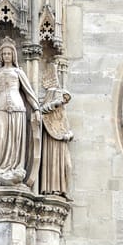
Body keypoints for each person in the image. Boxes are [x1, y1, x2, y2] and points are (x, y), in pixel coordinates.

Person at [0, 37, 41, 188]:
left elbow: (29, 93)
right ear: (1, 56)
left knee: (14, 139)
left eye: (9, 54)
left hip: (17, 108)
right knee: (0, 137)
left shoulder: (19, 72)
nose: (6, 56)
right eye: (4, 54)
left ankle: (14, 168)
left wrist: (36, 109)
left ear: (13, 55)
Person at [40, 63, 73, 199]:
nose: (65, 101)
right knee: (53, 165)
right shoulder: (52, 105)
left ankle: (62, 190)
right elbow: (42, 113)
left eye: (66, 99)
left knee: (68, 166)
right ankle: (52, 190)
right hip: (52, 141)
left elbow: (65, 125)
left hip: (61, 141)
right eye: (64, 98)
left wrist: (69, 134)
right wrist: (54, 104)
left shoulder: (62, 111)